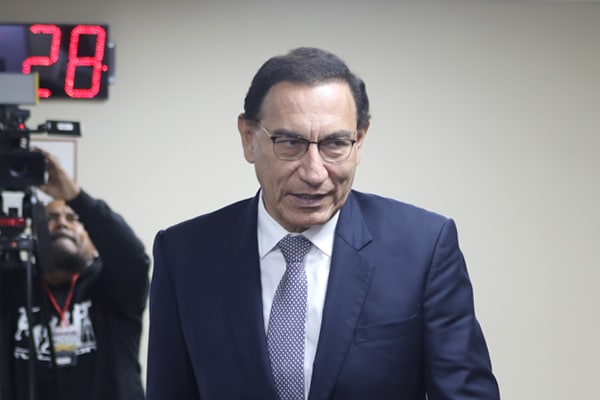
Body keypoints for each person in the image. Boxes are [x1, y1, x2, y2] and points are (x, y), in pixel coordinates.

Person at [146, 47, 500, 399]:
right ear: (249, 138)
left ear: (359, 141)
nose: (314, 173)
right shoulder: (183, 256)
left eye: (335, 143)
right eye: (290, 142)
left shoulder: (424, 249)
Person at [0, 149, 150, 400]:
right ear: (35, 234)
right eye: (51, 218)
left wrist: (75, 196)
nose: (62, 223)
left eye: (73, 218)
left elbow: (132, 256)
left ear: (93, 239)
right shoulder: (14, 286)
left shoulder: (113, 289)